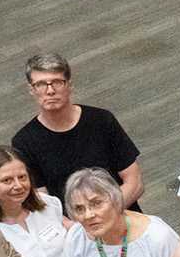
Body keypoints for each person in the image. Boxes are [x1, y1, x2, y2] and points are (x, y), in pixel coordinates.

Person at [12, 53, 145, 210]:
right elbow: (43, 203)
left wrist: (105, 215)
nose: (50, 91)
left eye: (57, 82)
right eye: (40, 84)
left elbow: (134, 182)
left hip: (122, 213)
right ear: (31, 90)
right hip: (73, 228)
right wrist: (83, 228)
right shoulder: (24, 142)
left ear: (69, 85)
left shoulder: (101, 120)